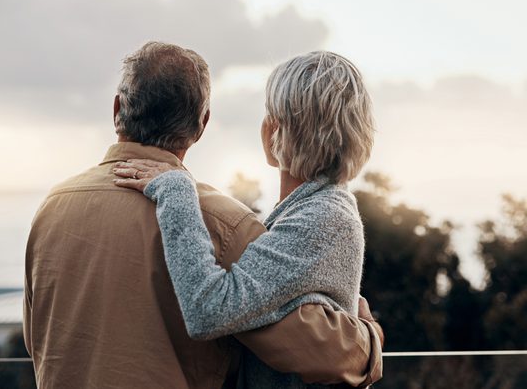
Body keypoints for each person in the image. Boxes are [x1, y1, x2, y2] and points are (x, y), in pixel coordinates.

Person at [25, 43, 383, 388]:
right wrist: (366, 341)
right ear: (202, 124)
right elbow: (313, 347)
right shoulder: (223, 224)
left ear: (117, 107)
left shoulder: (52, 207)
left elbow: (35, 337)